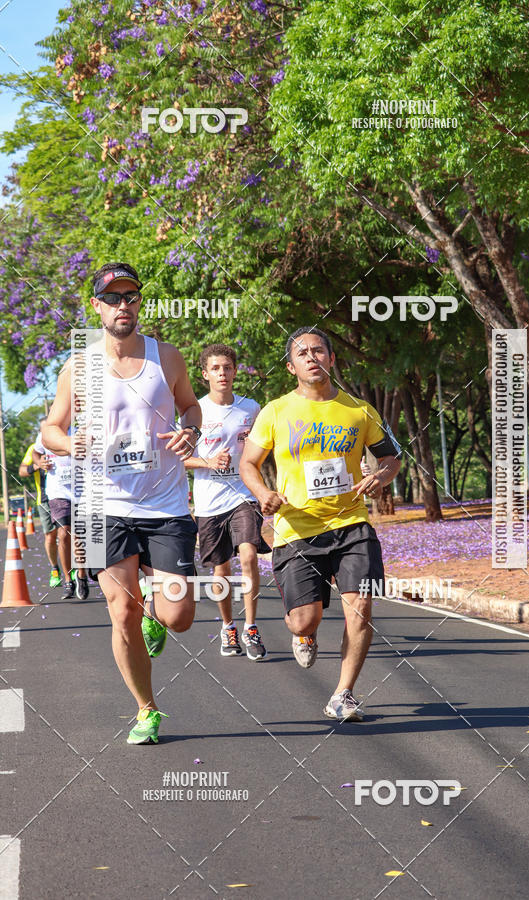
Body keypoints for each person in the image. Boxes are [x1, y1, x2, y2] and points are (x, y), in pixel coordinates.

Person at [42, 262, 202, 745]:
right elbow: (51, 429)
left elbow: (191, 405)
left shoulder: (166, 356)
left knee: (179, 615)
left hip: (166, 502)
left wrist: (190, 430)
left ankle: (158, 617)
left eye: (130, 296)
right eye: (113, 299)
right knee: (121, 610)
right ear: (97, 307)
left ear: (139, 303)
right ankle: (146, 710)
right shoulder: (81, 366)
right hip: (101, 505)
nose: (123, 305)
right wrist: (73, 444)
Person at [240, 327, 401, 721]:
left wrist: (381, 478)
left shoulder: (359, 410)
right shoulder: (276, 411)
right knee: (303, 619)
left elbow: (391, 458)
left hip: (352, 524)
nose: (311, 357)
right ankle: (306, 633)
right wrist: (264, 495)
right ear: (291, 366)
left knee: (360, 608)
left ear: (331, 358)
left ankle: (343, 694)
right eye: (302, 353)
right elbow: (248, 464)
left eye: (318, 350)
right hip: (297, 529)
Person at [184, 343, 270, 661]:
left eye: (228, 367)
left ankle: (250, 626)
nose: (223, 373)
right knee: (221, 569)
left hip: (243, 495)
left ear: (235, 371)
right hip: (208, 503)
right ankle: (228, 626)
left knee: (248, 554)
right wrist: (207, 462)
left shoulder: (252, 408)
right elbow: (179, 460)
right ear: (205, 374)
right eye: (216, 368)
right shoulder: (195, 412)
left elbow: (263, 449)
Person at [34, 426, 89, 600]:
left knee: (78, 535)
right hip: (58, 492)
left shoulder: (81, 429)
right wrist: (39, 462)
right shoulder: (46, 433)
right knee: (64, 532)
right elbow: (36, 453)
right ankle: (67, 580)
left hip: (82, 490)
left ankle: (81, 575)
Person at [18, 424, 60, 588]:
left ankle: (76, 572)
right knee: (51, 535)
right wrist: (37, 465)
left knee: (69, 534)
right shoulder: (34, 449)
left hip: (68, 496)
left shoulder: (65, 441)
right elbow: (22, 471)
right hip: (45, 498)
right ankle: (55, 569)